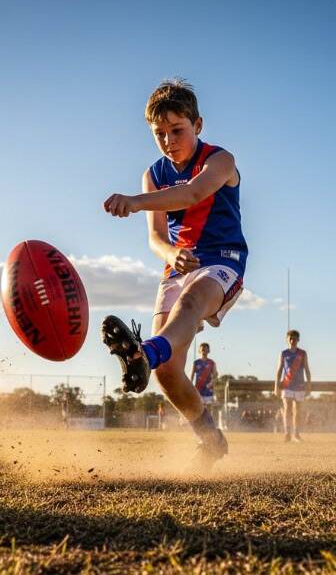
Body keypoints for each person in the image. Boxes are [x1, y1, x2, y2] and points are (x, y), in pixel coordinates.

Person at [100, 79, 247, 470]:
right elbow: (156, 238)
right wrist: (171, 252)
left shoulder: (220, 160)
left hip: (222, 260)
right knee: (166, 373)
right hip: (177, 266)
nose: (168, 140)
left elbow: (194, 194)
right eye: (159, 134)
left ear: (197, 125)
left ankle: (142, 352)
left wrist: (133, 202)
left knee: (192, 302)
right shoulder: (153, 174)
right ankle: (210, 438)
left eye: (176, 130)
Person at [273, 329, 312, 442]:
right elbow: (279, 370)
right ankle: (287, 433)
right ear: (287, 340)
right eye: (290, 338)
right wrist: (276, 386)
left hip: (299, 385)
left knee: (297, 411)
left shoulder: (303, 353)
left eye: (295, 338)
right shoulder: (283, 353)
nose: (292, 340)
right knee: (287, 409)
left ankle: (296, 433)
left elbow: (307, 370)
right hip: (286, 385)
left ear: (298, 340)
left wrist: (309, 385)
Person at [191, 343, 219, 415]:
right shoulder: (196, 362)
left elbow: (215, 375)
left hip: (208, 388)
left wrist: (211, 383)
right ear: (199, 350)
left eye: (206, 347)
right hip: (198, 388)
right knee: (198, 406)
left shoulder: (212, 363)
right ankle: (199, 423)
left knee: (209, 407)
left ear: (208, 350)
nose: (203, 348)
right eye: (202, 347)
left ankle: (208, 423)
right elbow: (192, 375)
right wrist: (190, 386)